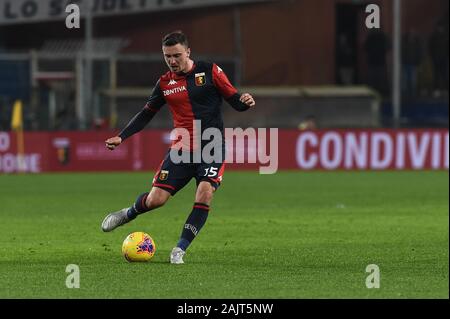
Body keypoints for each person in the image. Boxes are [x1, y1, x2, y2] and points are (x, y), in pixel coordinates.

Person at [100, 31, 255, 264]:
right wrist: (122, 137)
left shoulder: (210, 71)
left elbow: (234, 99)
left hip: (212, 147)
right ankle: (128, 213)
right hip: (181, 149)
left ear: (188, 52)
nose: (172, 61)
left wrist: (245, 102)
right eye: (167, 56)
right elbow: (146, 113)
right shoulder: (164, 83)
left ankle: (179, 249)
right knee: (156, 200)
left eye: (177, 55)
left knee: (205, 193)